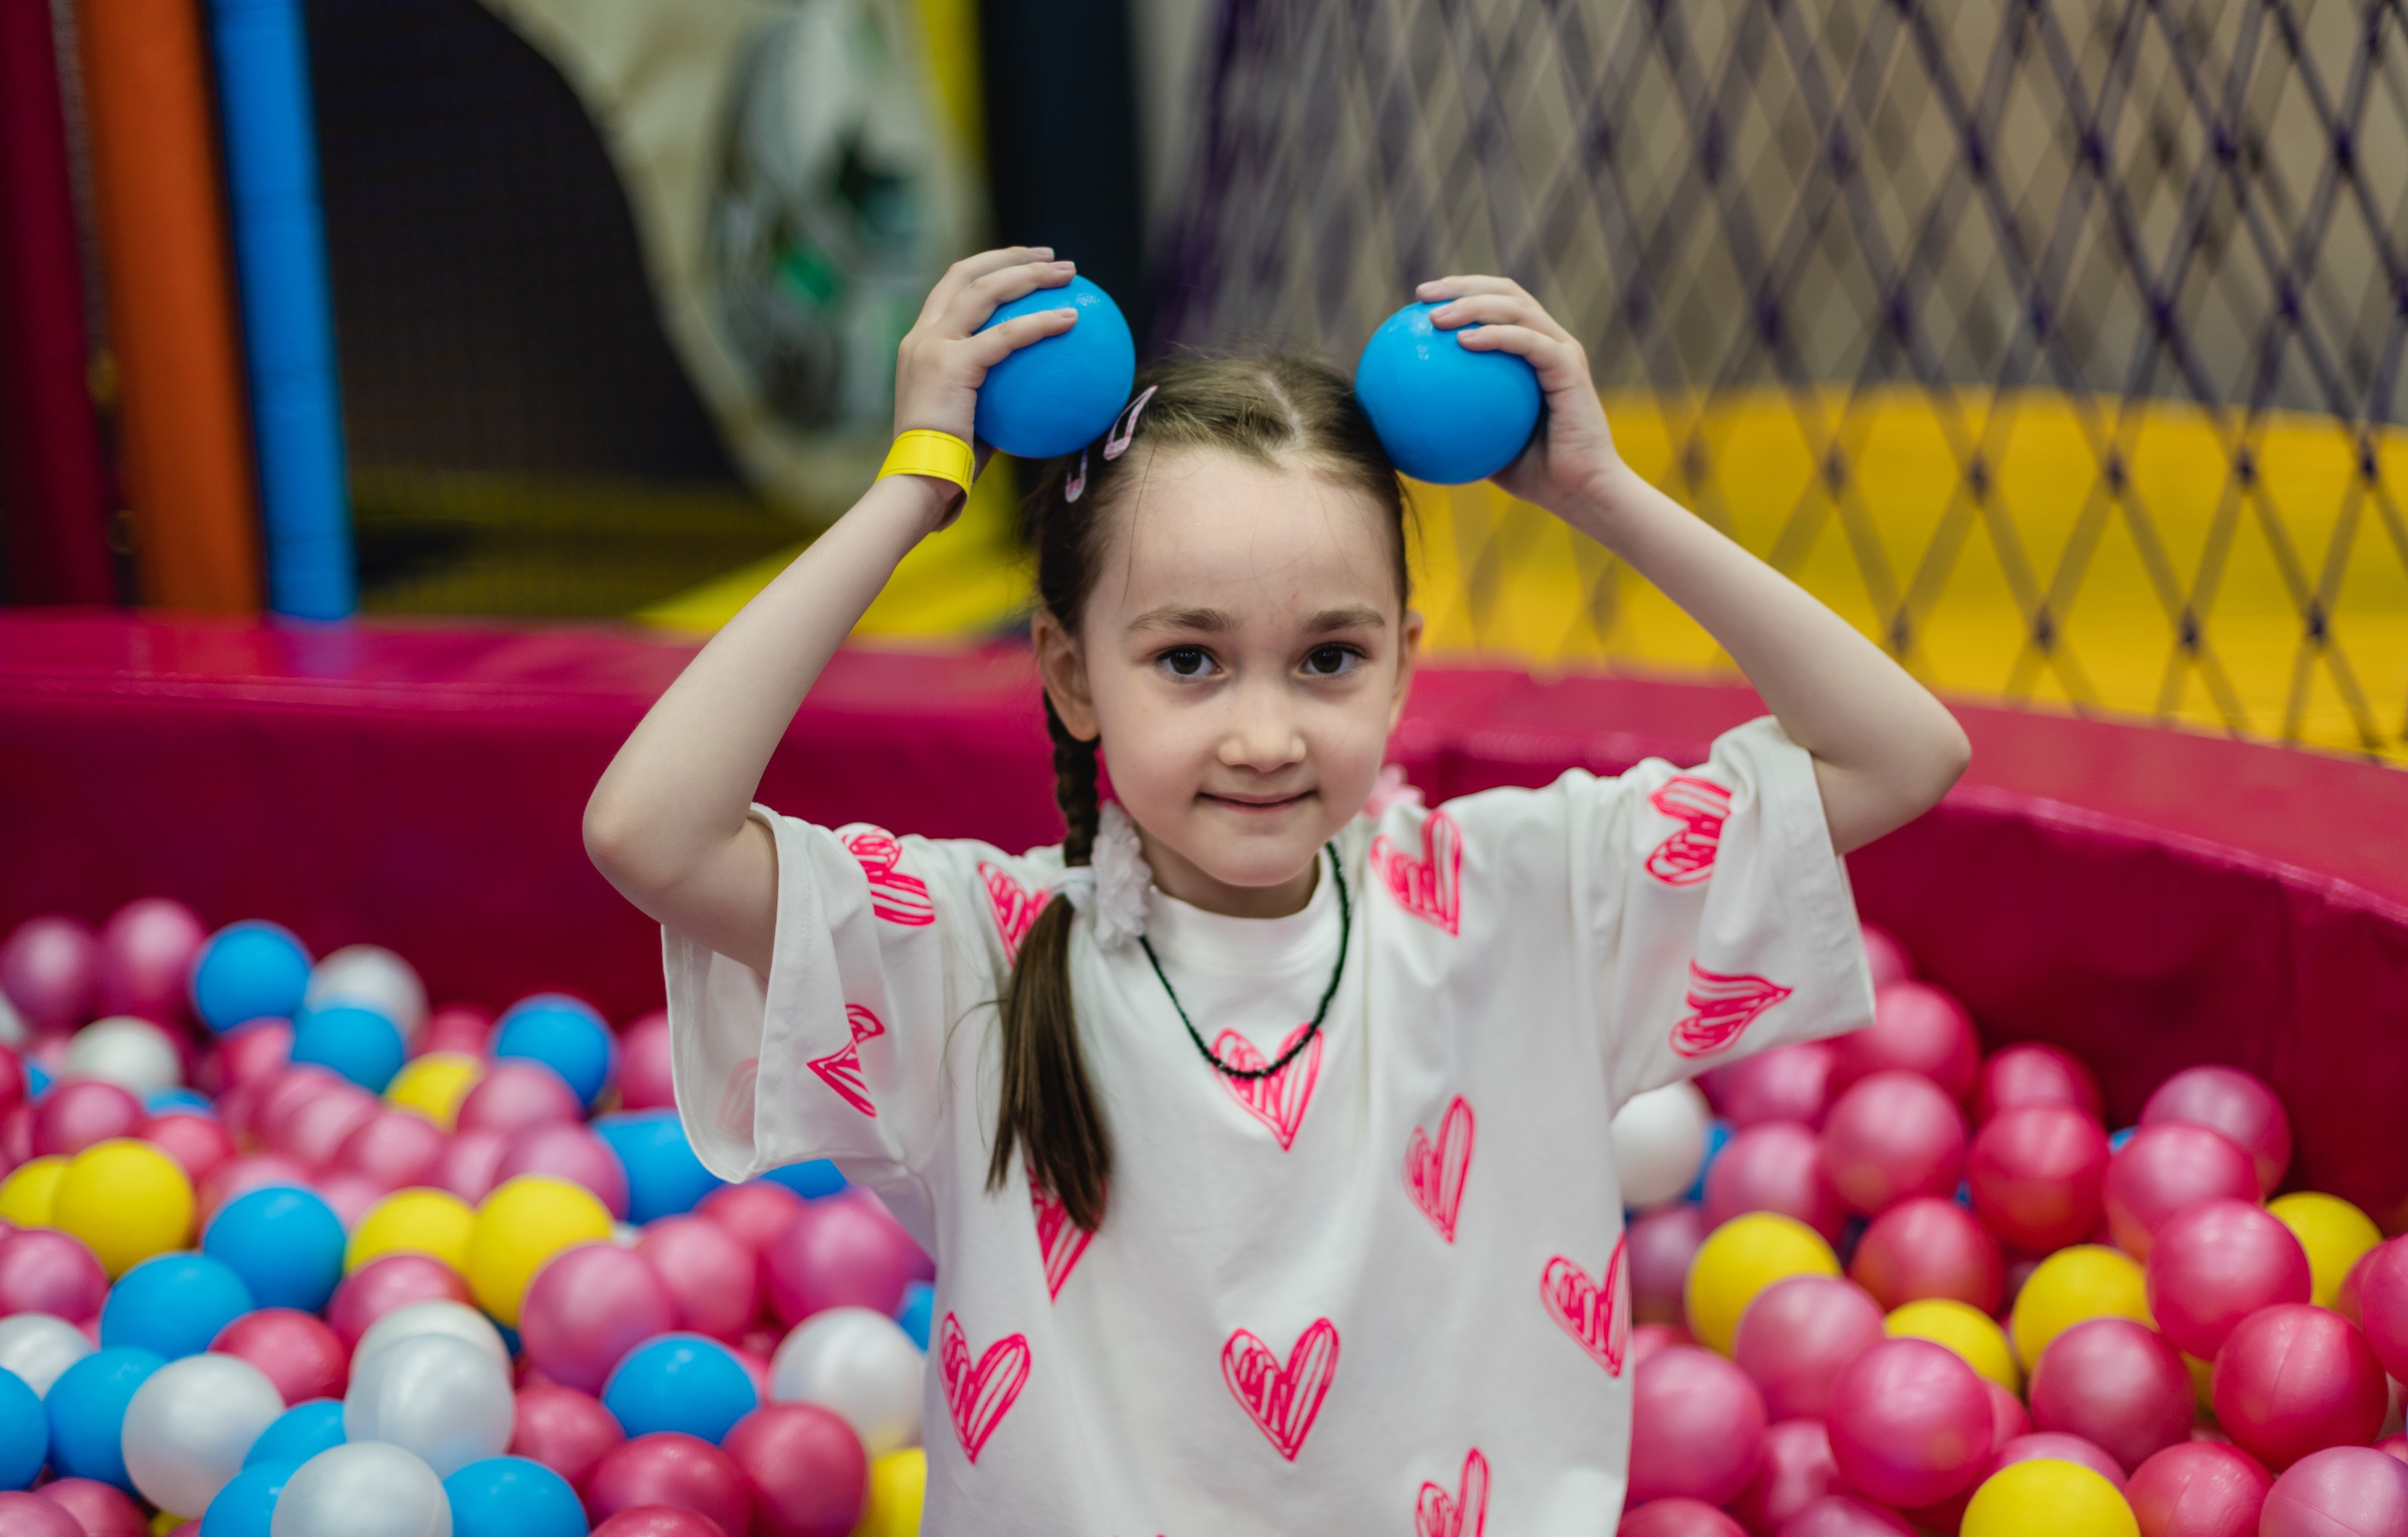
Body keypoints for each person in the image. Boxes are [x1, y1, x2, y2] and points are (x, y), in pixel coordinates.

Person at [585, 248, 1970, 1532]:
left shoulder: (1518, 903)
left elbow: (1901, 752)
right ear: (1071, 673)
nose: (1264, 733)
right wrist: (913, 490)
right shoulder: (976, 955)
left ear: (1405, 664)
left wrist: (1599, 493)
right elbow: (651, 833)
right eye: (1189, 659)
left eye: (1328, 659)